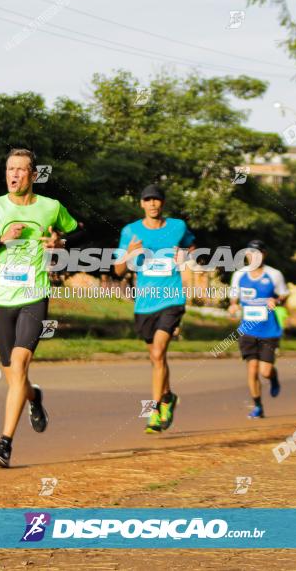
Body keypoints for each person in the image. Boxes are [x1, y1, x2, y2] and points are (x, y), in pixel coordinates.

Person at [0, 148, 82, 467]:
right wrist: (0, 240)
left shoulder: (51, 207)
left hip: (35, 294)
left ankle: (4, 445)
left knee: (19, 366)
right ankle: (35, 398)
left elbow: (78, 231)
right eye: (9, 169)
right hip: (2, 300)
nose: (13, 174)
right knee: (15, 379)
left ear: (34, 175)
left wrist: (60, 243)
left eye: (20, 169)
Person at [114, 184, 195, 433]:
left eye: (156, 200)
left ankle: (154, 412)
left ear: (163, 203)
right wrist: (128, 254)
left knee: (158, 353)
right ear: (141, 204)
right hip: (145, 303)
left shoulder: (177, 227)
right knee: (155, 357)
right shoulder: (131, 231)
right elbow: (118, 271)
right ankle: (168, 396)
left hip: (171, 299)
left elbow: (191, 246)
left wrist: (185, 257)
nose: (152, 204)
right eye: (147, 199)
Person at [228, 240, 288, 419]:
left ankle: (273, 376)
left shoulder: (274, 275)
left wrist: (276, 301)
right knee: (252, 369)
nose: (253, 257)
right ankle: (258, 406)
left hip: (269, 330)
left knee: (265, 371)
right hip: (247, 330)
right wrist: (232, 306)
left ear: (264, 254)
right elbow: (233, 298)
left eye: (257, 253)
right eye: (250, 253)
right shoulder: (239, 275)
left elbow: (284, 295)